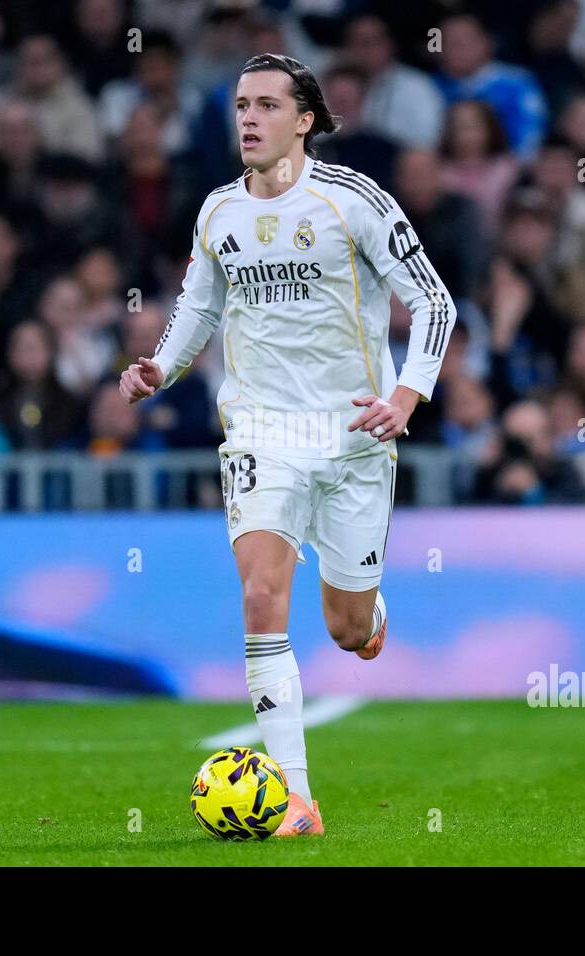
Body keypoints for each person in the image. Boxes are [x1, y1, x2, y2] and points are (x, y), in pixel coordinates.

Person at [118, 53, 457, 837]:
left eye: (267, 105)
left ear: (304, 120)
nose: (248, 118)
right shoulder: (216, 213)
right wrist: (161, 367)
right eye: (241, 104)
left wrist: (409, 392)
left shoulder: (354, 201)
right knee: (262, 597)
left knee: (345, 628)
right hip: (262, 431)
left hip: (353, 433)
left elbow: (433, 302)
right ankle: (298, 801)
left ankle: (367, 615)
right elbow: (197, 307)